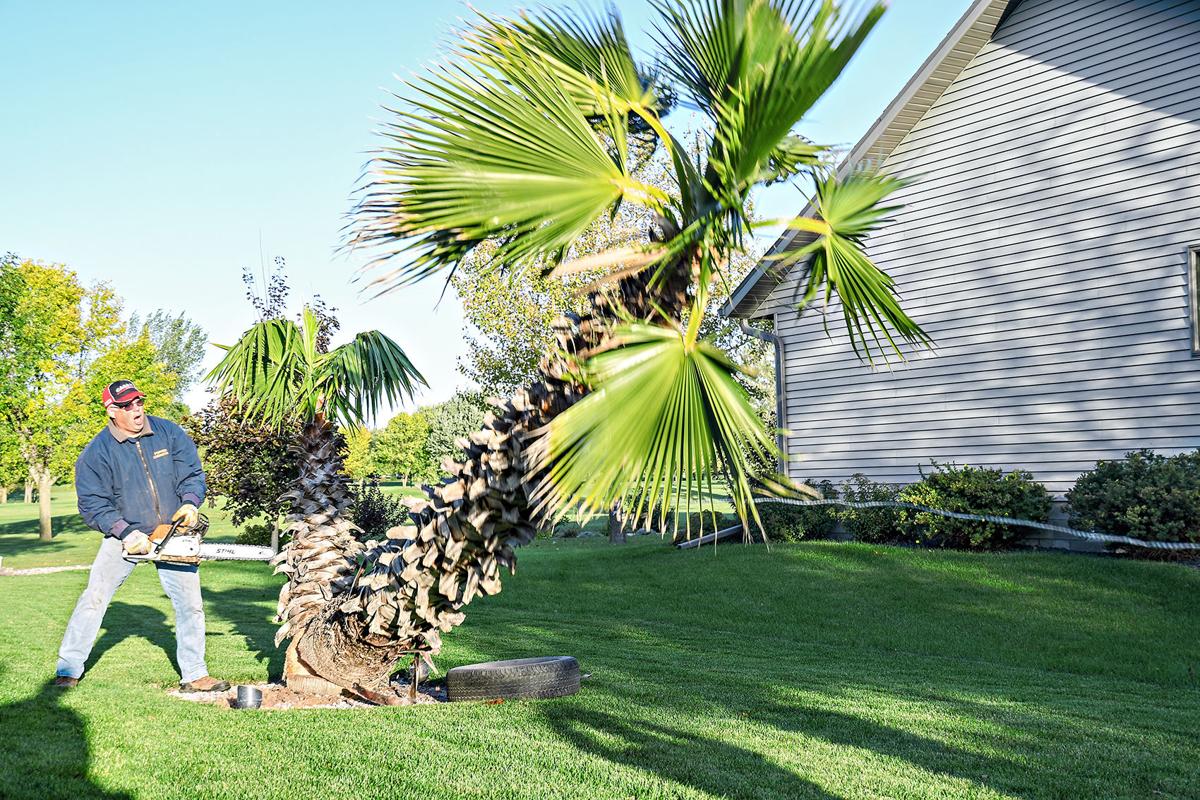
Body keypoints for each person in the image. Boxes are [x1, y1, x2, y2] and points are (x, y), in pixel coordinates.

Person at [53, 379, 229, 693]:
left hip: (172, 532)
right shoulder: (97, 453)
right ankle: (68, 669)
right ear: (111, 410)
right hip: (125, 534)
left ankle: (194, 674)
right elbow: (93, 503)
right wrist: (124, 531)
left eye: (138, 402)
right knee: (94, 598)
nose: (136, 410)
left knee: (190, 605)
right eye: (126, 405)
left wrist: (190, 502)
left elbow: (191, 473)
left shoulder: (168, 432)